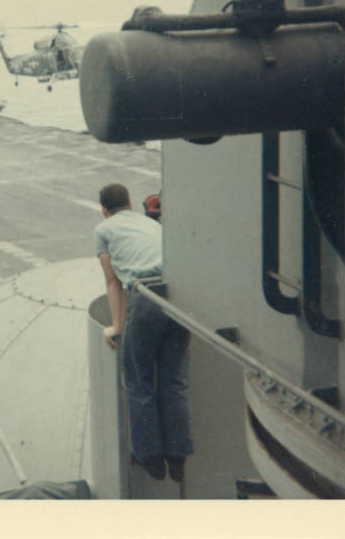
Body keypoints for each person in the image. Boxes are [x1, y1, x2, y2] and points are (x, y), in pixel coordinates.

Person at [94, 183, 193, 483]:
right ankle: (177, 459)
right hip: (180, 297)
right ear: (130, 204)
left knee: (138, 380)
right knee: (173, 380)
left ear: (105, 209)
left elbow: (113, 283)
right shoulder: (148, 222)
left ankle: (150, 458)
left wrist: (116, 326)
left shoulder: (103, 229)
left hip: (146, 298)